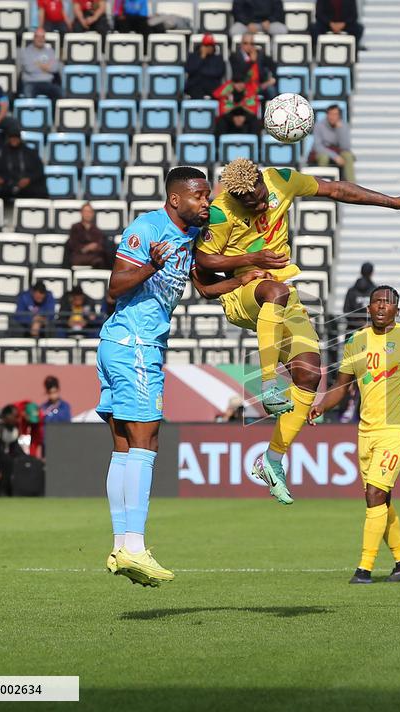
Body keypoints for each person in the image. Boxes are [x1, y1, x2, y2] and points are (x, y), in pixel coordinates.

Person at [194, 159, 400, 504]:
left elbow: (336, 189)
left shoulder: (281, 180)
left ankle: (272, 460)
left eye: (259, 196)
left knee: (309, 374)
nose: (258, 205)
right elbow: (205, 260)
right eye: (248, 203)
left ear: (262, 181)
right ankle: (269, 384)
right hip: (241, 293)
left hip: (281, 296)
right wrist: (253, 259)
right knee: (274, 291)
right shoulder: (220, 212)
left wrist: (393, 202)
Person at [98, 166, 264, 586]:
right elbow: (114, 287)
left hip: (126, 344)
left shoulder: (190, 236)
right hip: (134, 344)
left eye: (208, 195)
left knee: (124, 446)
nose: (206, 202)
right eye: (199, 196)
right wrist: (151, 267)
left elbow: (205, 289)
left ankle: (121, 545)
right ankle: (135, 547)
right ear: (175, 199)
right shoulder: (147, 228)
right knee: (147, 440)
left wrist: (243, 278)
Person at [309, 285, 400, 584]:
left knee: (375, 494)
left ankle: (364, 568)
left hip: (398, 428)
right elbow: (341, 386)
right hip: (366, 430)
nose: (382, 306)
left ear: (397, 309)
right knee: (380, 499)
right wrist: (320, 406)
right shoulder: (356, 341)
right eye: (376, 302)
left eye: (387, 302)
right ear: (368, 308)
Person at [0, 125, 48, 202]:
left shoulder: (30, 152)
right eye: (11, 137)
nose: (14, 140)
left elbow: (40, 170)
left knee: (40, 189)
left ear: (20, 138)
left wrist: (29, 179)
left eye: (16, 137)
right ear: (8, 138)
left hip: (25, 183)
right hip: (5, 183)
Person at [19, 27, 63, 102]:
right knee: (28, 94)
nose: (40, 39)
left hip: (48, 83)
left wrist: (37, 64)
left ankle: (53, 110)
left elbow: (55, 68)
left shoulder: (50, 51)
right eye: (38, 37)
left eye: (43, 37)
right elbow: (29, 68)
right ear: (34, 38)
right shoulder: (26, 51)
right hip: (31, 83)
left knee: (60, 93)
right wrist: (47, 66)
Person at [230, 34, 278, 102]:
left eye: (251, 44)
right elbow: (237, 76)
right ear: (241, 44)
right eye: (246, 43)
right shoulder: (234, 56)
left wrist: (271, 79)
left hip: (259, 85)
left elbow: (273, 65)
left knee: (271, 90)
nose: (249, 46)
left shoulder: (260, 54)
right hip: (243, 86)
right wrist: (251, 62)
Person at [313, 104, 354, 182]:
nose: (332, 117)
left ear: (339, 116)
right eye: (330, 114)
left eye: (335, 114)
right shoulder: (319, 126)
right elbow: (318, 147)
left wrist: (340, 130)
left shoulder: (344, 126)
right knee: (324, 157)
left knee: (348, 156)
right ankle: (322, 183)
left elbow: (346, 147)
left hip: (338, 152)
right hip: (323, 152)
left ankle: (351, 185)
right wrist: (335, 156)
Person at [65, 203, 113, 269]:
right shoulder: (75, 228)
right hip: (78, 256)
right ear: (81, 213)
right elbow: (73, 244)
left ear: (93, 214)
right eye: (85, 212)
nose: (87, 214)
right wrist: (87, 248)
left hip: (94, 257)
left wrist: (94, 247)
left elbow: (99, 245)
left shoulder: (97, 230)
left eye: (89, 212)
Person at [184, 35, 227, 100]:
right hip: (195, 85)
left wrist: (200, 71)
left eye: (211, 45)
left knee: (219, 92)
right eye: (206, 45)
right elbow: (189, 70)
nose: (209, 48)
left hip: (212, 85)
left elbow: (219, 73)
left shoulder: (218, 58)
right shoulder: (193, 56)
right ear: (201, 46)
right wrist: (202, 58)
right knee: (195, 90)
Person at [342, 261, 375, 332]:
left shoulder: (351, 291)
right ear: (372, 273)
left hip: (352, 330)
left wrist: (359, 323)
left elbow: (346, 310)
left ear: (360, 272)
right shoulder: (376, 291)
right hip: (371, 332)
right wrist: (368, 324)